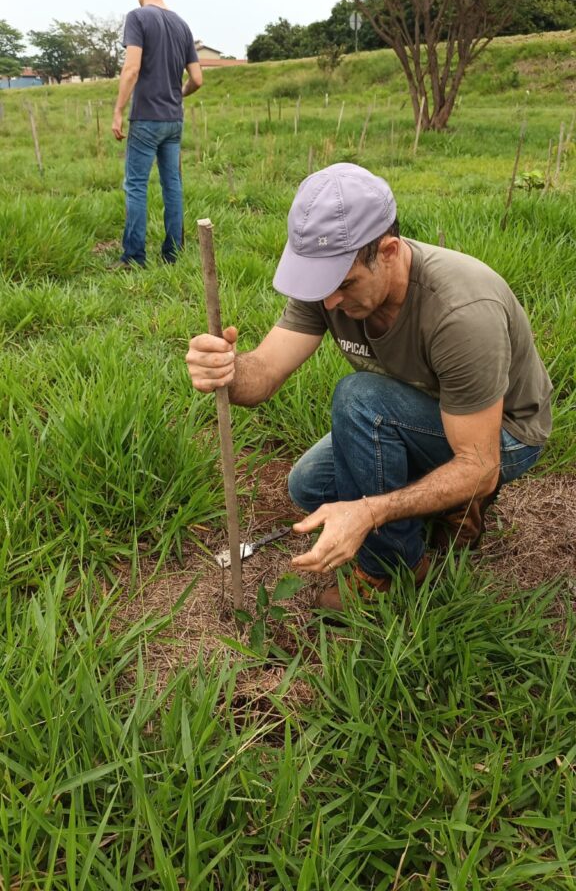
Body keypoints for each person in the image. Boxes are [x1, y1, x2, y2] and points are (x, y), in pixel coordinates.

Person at [185, 163, 552, 611]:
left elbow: (480, 464)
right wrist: (226, 370)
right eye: (321, 285)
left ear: (389, 251)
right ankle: (443, 506)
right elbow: (262, 374)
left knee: (360, 400)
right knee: (309, 486)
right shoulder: (326, 286)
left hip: (504, 434)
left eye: (344, 284)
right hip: (423, 412)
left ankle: (392, 570)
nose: (329, 301)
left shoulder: (461, 313)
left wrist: (369, 511)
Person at [112, 0, 203, 267]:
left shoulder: (137, 17)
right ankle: (172, 254)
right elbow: (197, 79)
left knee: (136, 185)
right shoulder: (182, 25)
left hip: (146, 118)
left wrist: (118, 110)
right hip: (174, 120)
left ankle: (133, 257)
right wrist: (179, 94)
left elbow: (131, 68)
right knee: (172, 185)